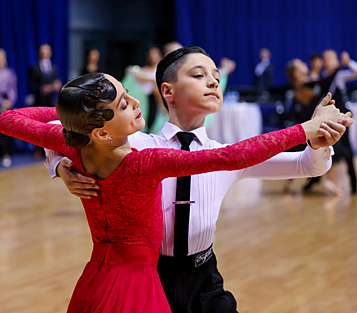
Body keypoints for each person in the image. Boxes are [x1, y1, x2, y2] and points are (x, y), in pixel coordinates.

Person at [44, 47, 353, 312]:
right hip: (149, 277)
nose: (213, 81)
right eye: (198, 75)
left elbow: (306, 166)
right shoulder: (137, 147)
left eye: (216, 75)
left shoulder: (228, 156)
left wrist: (318, 145)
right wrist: (62, 166)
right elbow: (62, 125)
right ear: (168, 91)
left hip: (204, 280)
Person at [302, 50, 357, 194]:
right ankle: (315, 179)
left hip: (341, 117)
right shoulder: (324, 77)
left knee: (346, 150)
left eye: (328, 58)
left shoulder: (339, 75)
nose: (325, 61)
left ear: (336, 61)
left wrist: (348, 62)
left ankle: (354, 182)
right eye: (324, 58)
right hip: (328, 117)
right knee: (321, 146)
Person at [29, 44, 62, 159]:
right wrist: (43, 88)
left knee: (50, 126)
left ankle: (49, 149)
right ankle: (38, 150)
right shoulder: (34, 68)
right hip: (39, 101)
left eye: (46, 51)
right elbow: (32, 84)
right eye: (42, 51)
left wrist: (55, 86)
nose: (44, 54)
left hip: (50, 102)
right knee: (38, 127)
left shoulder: (54, 67)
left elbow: (56, 82)